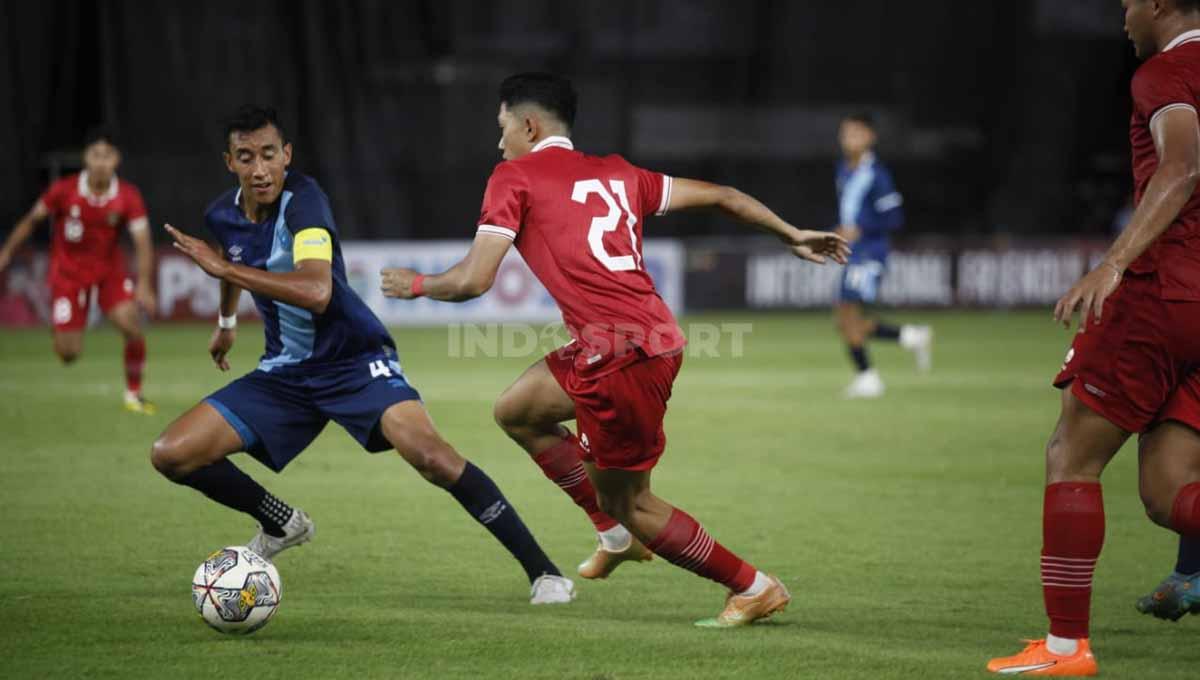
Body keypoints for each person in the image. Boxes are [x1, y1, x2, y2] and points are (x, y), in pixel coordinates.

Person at [380, 73, 850, 626]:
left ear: (529, 125)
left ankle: (752, 586)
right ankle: (614, 534)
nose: (499, 140)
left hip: (623, 358)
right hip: (628, 342)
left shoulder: (514, 176)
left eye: (503, 126)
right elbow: (722, 195)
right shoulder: (621, 174)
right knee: (517, 411)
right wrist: (789, 232)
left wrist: (414, 284)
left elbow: (473, 280)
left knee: (632, 501)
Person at [153, 106, 573, 604]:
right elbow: (231, 258)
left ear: (287, 155)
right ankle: (281, 523)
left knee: (432, 457)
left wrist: (223, 272)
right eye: (246, 157)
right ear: (230, 162)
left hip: (354, 362)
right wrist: (225, 322)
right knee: (173, 454)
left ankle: (544, 573)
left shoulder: (305, 203)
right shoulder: (222, 214)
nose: (260, 169)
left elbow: (316, 291)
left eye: (269, 154)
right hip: (285, 373)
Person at [987, 1, 1200, 674]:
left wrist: (1114, 260)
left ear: (1161, 3)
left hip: (1162, 292)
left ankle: (1063, 648)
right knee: (1169, 494)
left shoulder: (1168, 73)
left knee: (1070, 455)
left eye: (1130, 3)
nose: (1124, 15)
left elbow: (1183, 167)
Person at [0, 127, 156, 413]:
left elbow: (143, 241)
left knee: (132, 326)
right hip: (68, 275)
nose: (100, 162)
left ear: (116, 159)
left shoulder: (128, 196)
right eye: (95, 155)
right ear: (86, 157)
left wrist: (144, 285)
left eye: (106, 156)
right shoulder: (63, 190)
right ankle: (63, 334)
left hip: (109, 273)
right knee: (69, 353)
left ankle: (134, 395)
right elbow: (31, 221)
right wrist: (7, 251)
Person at [830, 113, 931, 399]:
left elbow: (894, 218)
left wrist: (860, 230)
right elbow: (848, 216)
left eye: (855, 133)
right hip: (851, 253)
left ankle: (868, 378)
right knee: (845, 319)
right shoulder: (843, 170)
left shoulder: (877, 175)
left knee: (846, 313)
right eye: (845, 133)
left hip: (870, 254)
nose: (848, 139)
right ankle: (911, 337)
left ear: (869, 137)